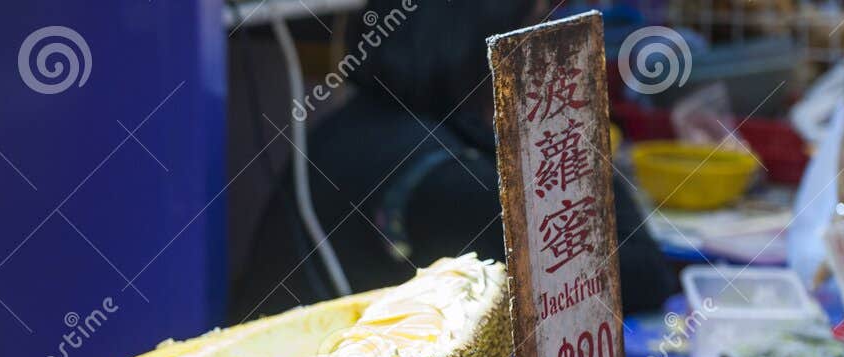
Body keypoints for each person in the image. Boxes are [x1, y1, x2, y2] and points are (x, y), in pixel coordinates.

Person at [232, 0, 677, 322]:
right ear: (484, 43)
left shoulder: (366, 121)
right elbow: (638, 275)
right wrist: (576, 130)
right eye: (537, 25)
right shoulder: (440, 181)